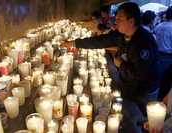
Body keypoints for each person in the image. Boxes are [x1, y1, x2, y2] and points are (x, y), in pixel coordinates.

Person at [62, 2, 158, 133]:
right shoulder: (121, 34)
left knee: (150, 122)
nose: (115, 21)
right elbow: (99, 41)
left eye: (119, 18)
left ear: (131, 21)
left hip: (144, 89)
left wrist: (120, 65)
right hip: (128, 83)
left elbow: (140, 74)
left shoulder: (144, 42)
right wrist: (73, 43)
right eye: (115, 17)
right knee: (130, 115)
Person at [154, 6, 172, 100]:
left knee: (159, 80)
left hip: (158, 56)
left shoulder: (159, 26)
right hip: (169, 58)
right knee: (166, 82)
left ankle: (157, 100)